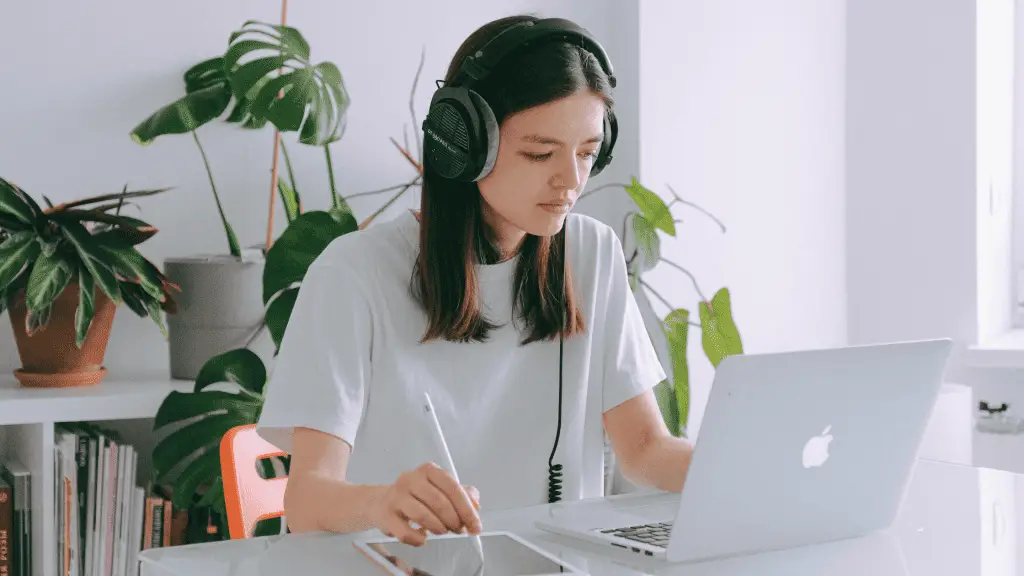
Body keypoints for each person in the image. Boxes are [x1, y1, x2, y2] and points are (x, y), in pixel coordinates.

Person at [254, 13, 695, 546]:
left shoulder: (592, 254)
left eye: (586, 152)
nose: (571, 181)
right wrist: (381, 501)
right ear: (462, 144)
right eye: (539, 153)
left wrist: (754, 471)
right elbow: (306, 500)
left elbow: (645, 450)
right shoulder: (354, 274)